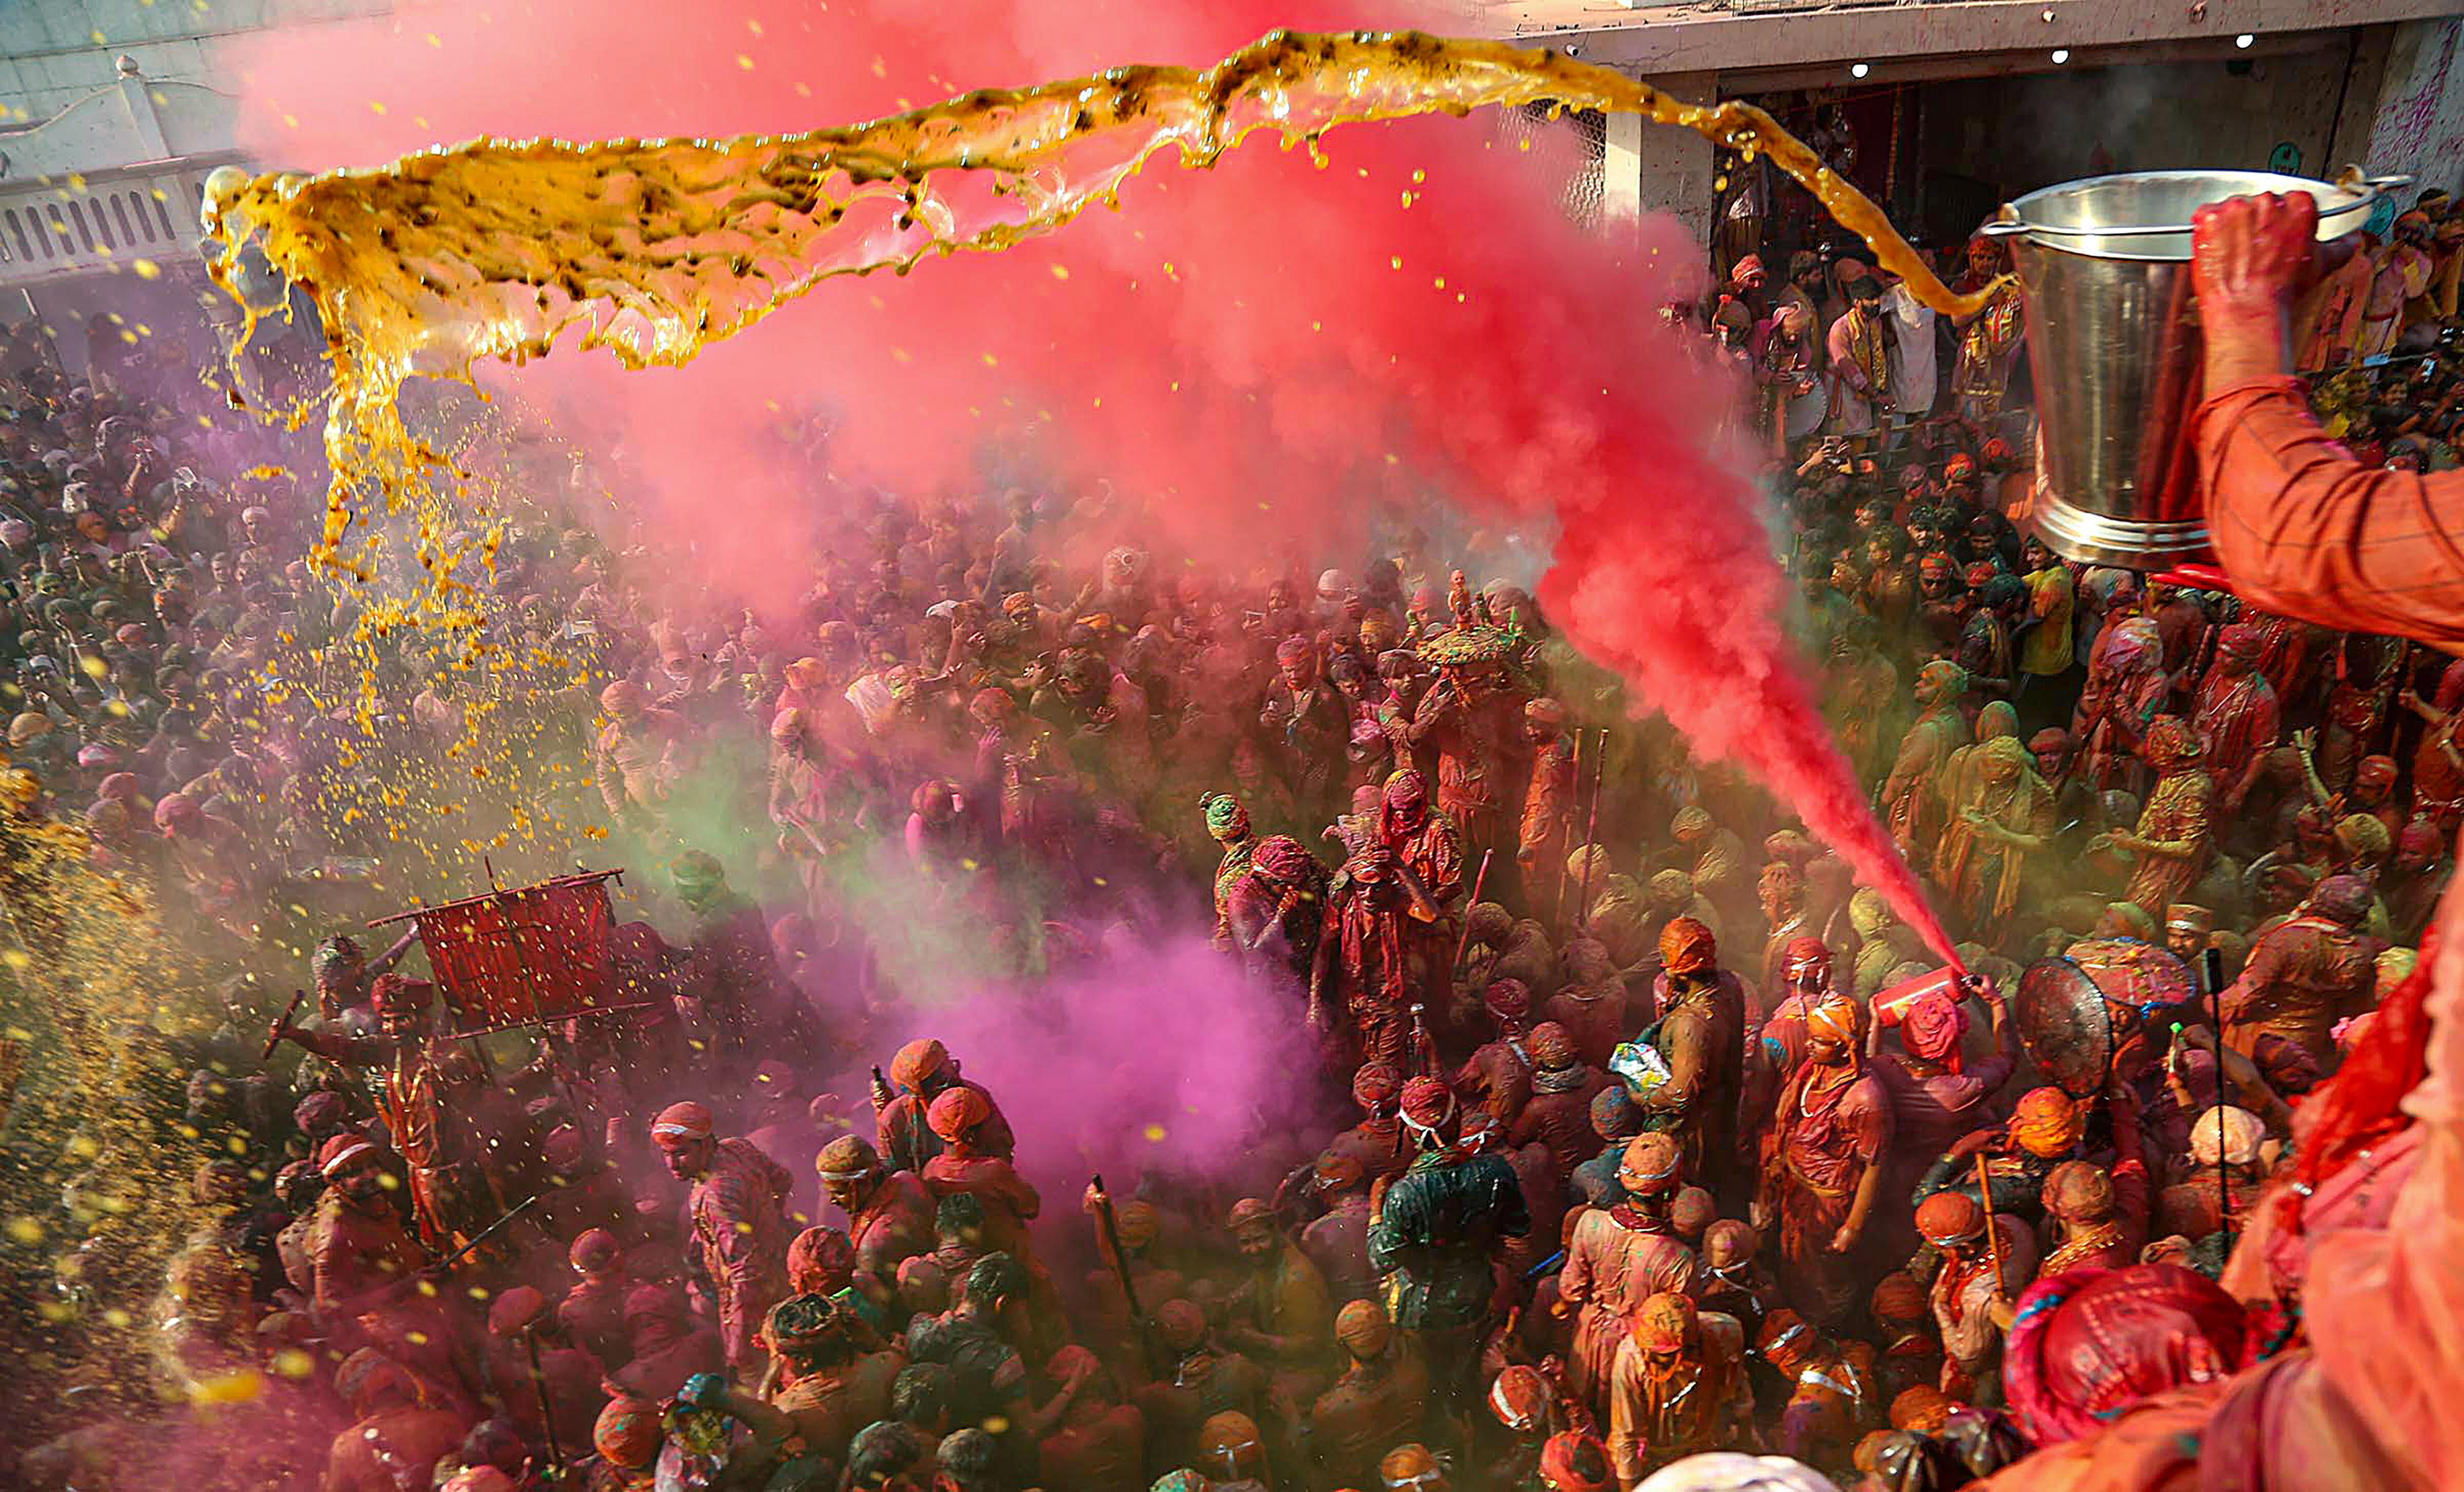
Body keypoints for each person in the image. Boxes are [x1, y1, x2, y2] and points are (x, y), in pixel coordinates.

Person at [1365, 1077, 1531, 1397]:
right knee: (1468, 1373)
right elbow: (1518, 1227)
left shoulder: (1404, 1194)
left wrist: (1376, 1208)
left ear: (1411, 1133)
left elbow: (1380, 1258)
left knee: (1429, 1381)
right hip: (1478, 1294)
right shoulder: (1496, 1170)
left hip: (1421, 1310)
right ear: (1457, 1119)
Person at [1757, 993, 1893, 1326]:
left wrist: (1852, 1228)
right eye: (1811, 1039)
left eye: (1821, 1042)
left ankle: (1828, 1328)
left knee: (1823, 1273)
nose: (1810, 1047)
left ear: (1846, 1047)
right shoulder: (1811, 1073)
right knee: (1794, 1259)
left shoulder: (1865, 1100)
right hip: (1796, 1189)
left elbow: (1874, 1167)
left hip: (1830, 1204)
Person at [1556, 1133, 1702, 1406]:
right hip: (1638, 1352)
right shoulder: (1679, 1259)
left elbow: (1571, 1289)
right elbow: (1679, 1324)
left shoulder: (1590, 1223)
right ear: (1671, 1192)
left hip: (1589, 1338)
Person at [652, 1099, 795, 1371]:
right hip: (781, 1264)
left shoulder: (715, 1194)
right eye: (665, 1153)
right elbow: (782, 1179)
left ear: (705, 1144)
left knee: (762, 1371)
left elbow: (746, 1273)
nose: (672, 1164)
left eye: (680, 1153)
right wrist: (767, 1219)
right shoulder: (737, 1148)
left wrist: (737, 1348)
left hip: (756, 1301)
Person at [1637, 917, 1747, 1195]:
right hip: (1720, 1118)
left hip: (1691, 1133)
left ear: (1682, 973)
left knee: (1686, 1199)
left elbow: (1680, 1094)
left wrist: (1642, 1096)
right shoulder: (1730, 986)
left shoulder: (1691, 1023)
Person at [1606, 1292, 1750, 1486]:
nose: (1649, 1357)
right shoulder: (1630, 1357)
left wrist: (1749, 1450)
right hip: (1656, 1459)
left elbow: (1739, 1389)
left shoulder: (1724, 1332)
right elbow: (1626, 1435)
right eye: (1646, 1348)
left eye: (1664, 1355)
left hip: (1708, 1449)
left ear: (1690, 1346)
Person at [1305, 1298, 1431, 1490]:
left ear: (1342, 1346)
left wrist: (1290, 1417)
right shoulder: (1415, 1372)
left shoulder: (1332, 1407)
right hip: (1406, 1472)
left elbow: (1319, 1457)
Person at [815, 1134, 935, 1311]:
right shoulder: (907, 1179)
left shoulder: (871, 1247)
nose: (832, 1201)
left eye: (839, 1193)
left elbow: (886, 1303)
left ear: (861, 1185)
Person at [875, 1037, 1015, 1174]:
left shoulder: (974, 1098)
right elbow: (892, 1176)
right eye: (945, 1082)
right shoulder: (893, 1121)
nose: (957, 1085)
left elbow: (1002, 1148)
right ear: (922, 1093)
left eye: (954, 1068)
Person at [1823, 277, 1891, 438]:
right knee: (1846, 439)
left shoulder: (1875, 323)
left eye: (1877, 298)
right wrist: (1874, 393)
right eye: (1870, 299)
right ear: (1856, 302)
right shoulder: (1841, 328)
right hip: (1843, 391)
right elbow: (1848, 368)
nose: (1876, 303)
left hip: (1866, 390)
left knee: (1864, 435)